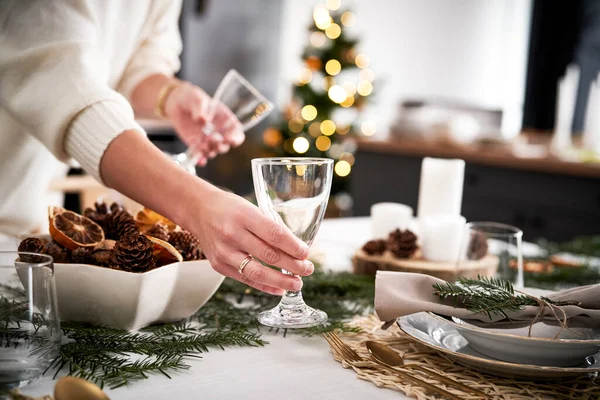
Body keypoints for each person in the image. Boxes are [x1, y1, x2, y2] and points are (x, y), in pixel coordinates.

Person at [0, 0, 313, 295]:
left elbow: (137, 64)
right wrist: (196, 204)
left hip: (30, 219)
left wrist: (172, 96)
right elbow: (63, 87)